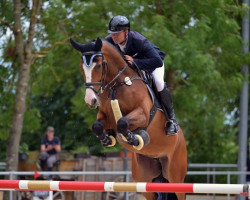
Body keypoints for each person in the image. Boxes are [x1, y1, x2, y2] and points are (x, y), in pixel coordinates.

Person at [105, 15, 178, 135]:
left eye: (117, 33)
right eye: (112, 33)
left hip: (152, 64)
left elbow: (157, 61)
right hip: (132, 69)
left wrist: (135, 61)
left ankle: (171, 120)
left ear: (126, 32)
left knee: (159, 82)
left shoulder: (139, 41)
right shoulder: (110, 41)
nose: (114, 36)